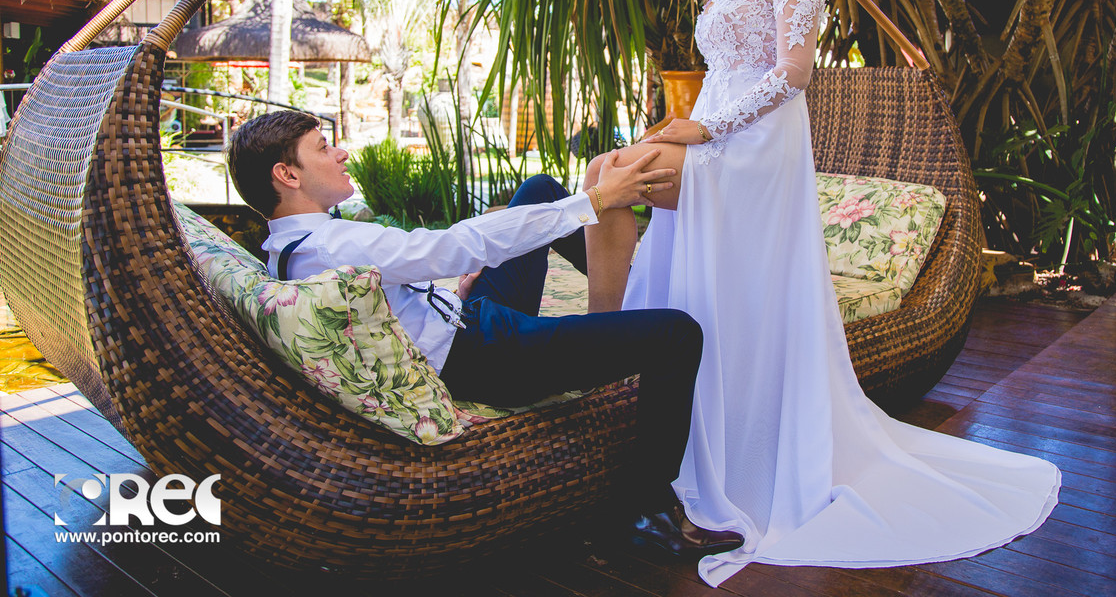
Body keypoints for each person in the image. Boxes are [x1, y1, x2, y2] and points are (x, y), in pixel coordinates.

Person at [582, 0, 1061, 587]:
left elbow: (793, 73)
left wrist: (707, 133)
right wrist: (680, 123)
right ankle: (603, 339)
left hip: (753, 147)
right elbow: (721, 74)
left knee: (612, 181)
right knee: (603, 173)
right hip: (713, 128)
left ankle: (604, 355)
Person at [224, 110, 744, 558]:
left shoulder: (293, 246)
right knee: (677, 334)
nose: (340, 152)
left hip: (466, 318)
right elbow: (454, 244)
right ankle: (645, 511)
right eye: (322, 147)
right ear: (287, 174)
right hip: (490, 357)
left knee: (538, 189)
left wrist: (447, 290)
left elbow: (393, 290)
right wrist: (594, 200)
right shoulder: (333, 244)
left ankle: (609, 315)